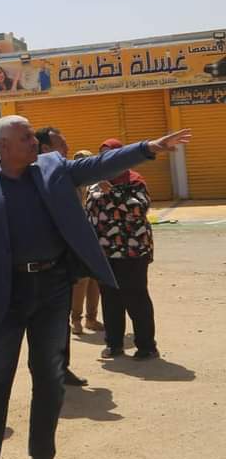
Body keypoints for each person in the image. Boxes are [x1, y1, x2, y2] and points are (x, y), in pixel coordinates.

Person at [0, 115, 190, 459]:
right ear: (4, 147)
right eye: (26, 137)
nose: (35, 142)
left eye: (33, 136)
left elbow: (99, 164)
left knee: (49, 375)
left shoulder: (53, 167)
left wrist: (147, 148)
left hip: (52, 287)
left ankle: (42, 457)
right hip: (6, 291)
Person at [86, 138, 159, 360]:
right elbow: (89, 211)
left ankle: (146, 346)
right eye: (102, 156)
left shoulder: (134, 181)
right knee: (110, 299)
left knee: (136, 297)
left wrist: (112, 193)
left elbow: (139, 209)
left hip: (132, 252)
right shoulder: (95, 182)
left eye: (111, 156)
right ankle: (114, 344)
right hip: (105, 252)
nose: (106, 161)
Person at [35, 126, 89, 387]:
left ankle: (61, 368)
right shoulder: (31, 178)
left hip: (62, 261)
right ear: (45, 149)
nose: (67, 149)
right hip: (34, 265)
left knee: (60, 319)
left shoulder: (67, 175)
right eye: (62, 144)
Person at [70, 149, 104, 335]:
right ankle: (76, 319)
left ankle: (91, 318)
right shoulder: (70, 185)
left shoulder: (98, 185)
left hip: (97, 237)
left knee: (95, 279)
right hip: (79, 237)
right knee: (81, 280)